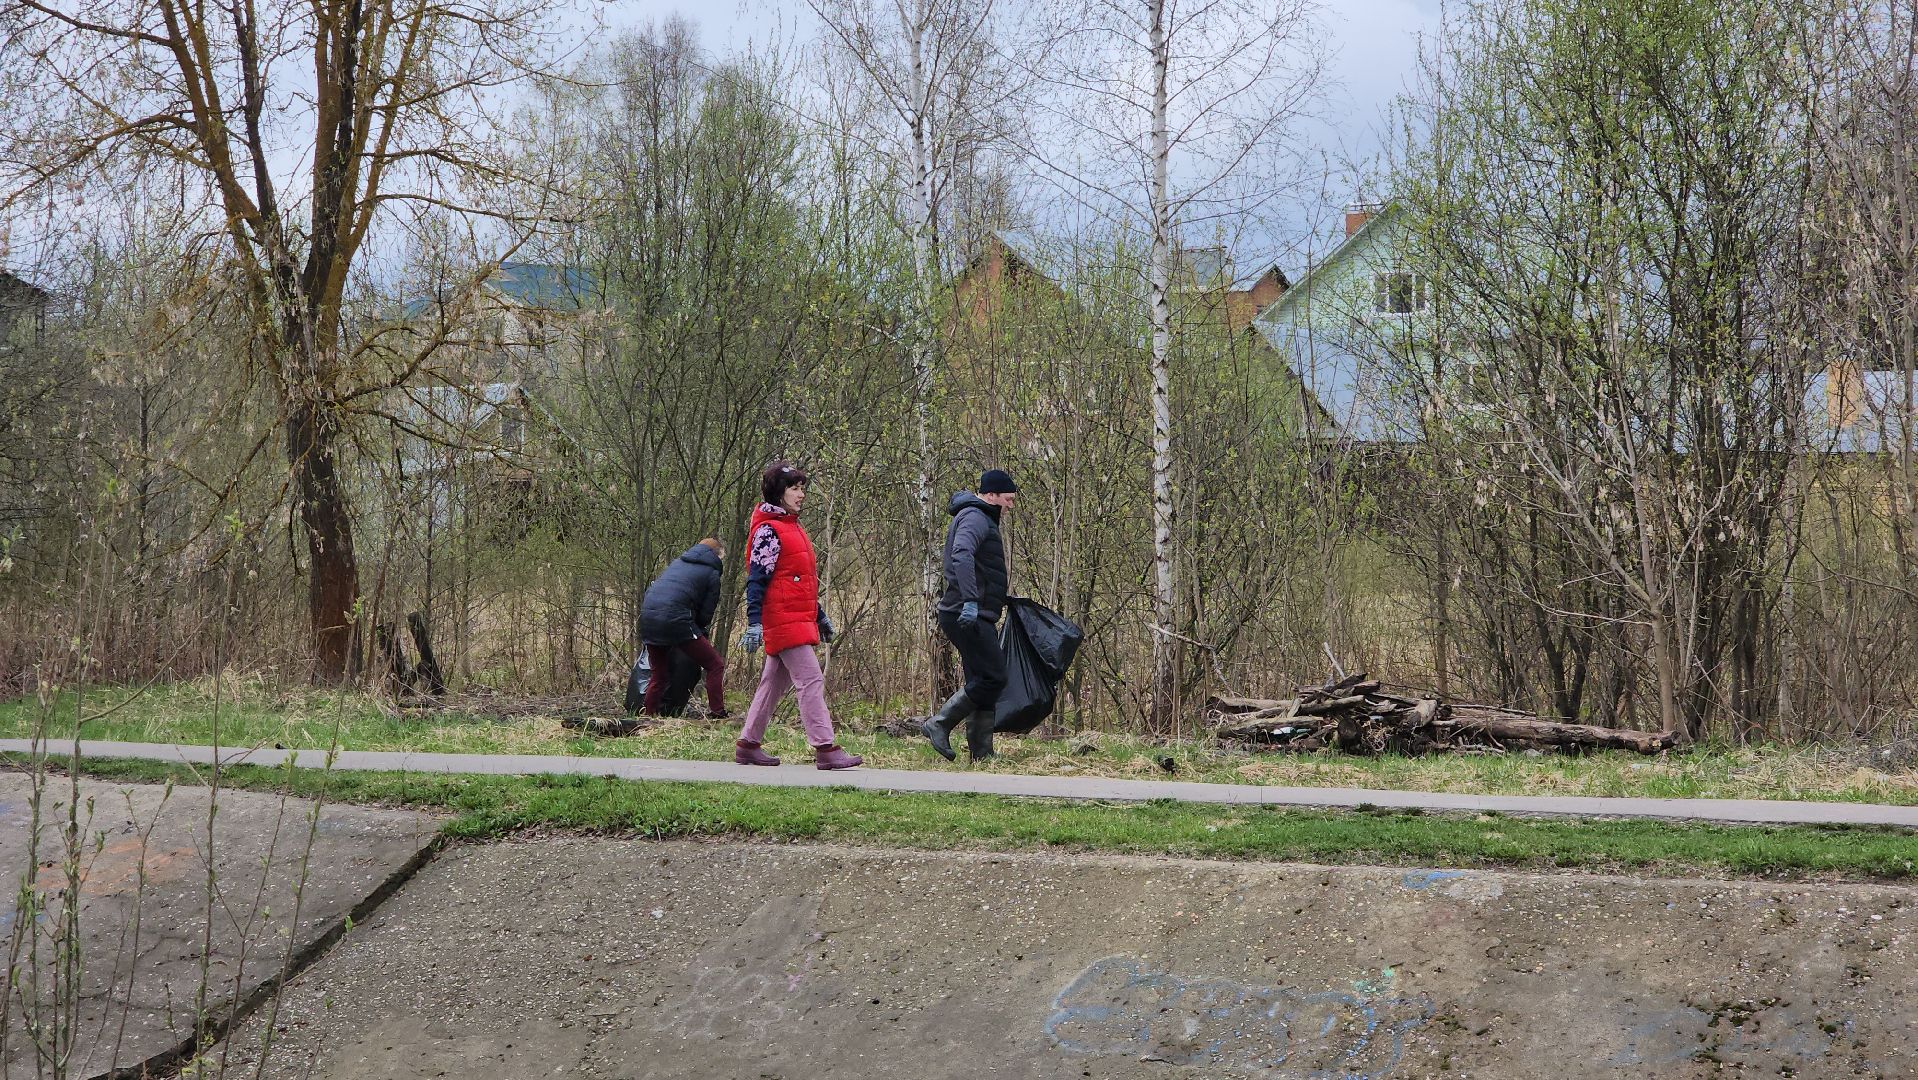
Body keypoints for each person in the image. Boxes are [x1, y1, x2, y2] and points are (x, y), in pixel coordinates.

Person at [733, 461, 863, 770]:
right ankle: (826, 748)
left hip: (795, 615)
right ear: (778, 492)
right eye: (794, 488)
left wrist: (819, 616)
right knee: (810, 679)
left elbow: (798, 583)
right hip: (782, 618)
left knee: (773, 683)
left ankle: (748, 744)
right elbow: (757, 579)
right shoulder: (768, 530)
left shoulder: (792, 528)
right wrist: (754, 622)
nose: (801, 494)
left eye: (802, 488)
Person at [921, 468, 1017, 762]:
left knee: (981, 676)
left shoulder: (980, 516)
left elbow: (980, 565)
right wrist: (972, 601)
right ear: (991, 495)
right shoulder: (975, 517)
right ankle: (940, 722)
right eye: (1008, 499)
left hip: (973, 612)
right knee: (994, 676)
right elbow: (961, 553)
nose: (1010, 506)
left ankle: (981, 752)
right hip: (965, 613)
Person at [637, 537, 729, 718]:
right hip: (676, 621)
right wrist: (696, 630)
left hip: (648, 618)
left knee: (659, 673)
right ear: (717, 554)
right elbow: (705, 614)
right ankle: (718, 713)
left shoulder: (677, 564)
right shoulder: (711, 572)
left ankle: (648, 715)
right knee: (715, 665)